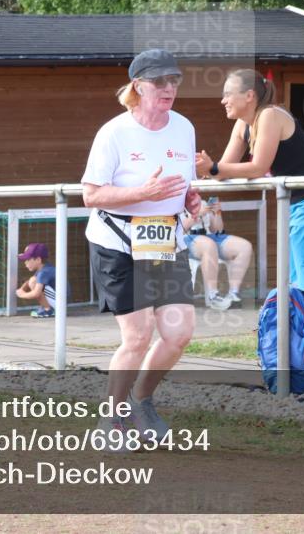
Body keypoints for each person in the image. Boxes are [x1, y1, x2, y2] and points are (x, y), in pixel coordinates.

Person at [82, 48, 201, 445]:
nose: (169, 88)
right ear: (138, 86)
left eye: (174, 81)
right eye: (160, 82)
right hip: (117, 240)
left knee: (179, 332)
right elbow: (91, 196)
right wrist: (143, 191)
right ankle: (112, 420)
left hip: (166, 238)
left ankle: (141, 401)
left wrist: (190, 199)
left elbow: (181, 183)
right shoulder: (113, 132)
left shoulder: (183, 127)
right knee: (137, 336)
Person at [196, 69, 304, 353]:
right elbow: (222, 171)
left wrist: (213, 168)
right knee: (295, 286)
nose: (223, 100)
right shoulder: (242, 124)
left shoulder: (270, 116)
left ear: (249, 96)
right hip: (296, 206)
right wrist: (204, 169)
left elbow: (257, 166)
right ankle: (303, 353)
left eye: (228, 93)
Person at [181, 197, 253, 310]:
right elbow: (178, 229)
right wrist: (196, 215)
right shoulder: (175, 202)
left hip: (209, 236)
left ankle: (233, 294)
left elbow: (217, 229)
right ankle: (212, 295)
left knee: (244, 246)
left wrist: (217, 212)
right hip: (185, 238)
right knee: (209, 245)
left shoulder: (202, 202)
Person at [15, 242, 57, 319]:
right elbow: (28, 282)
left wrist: (21, 294)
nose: (25, 263)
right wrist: (22, 288)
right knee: (33, 280)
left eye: (27, 260)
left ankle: (48, 310)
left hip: (60, 303)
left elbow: (36, 294)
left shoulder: (43, 272)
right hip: (59, 300)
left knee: (33, 281)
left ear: (38, 259)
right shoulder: (45, 268)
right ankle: (48, 307)